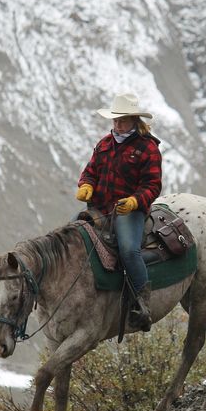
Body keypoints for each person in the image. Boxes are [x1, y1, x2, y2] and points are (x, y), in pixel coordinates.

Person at [75, 92, 162, 331]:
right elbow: (90, 171)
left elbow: (153, 185)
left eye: (122, 120)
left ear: (134, 120)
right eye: (115, 119)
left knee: (128, 250)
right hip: (100, 208)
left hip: (128, 212)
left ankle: (143, 303)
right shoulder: (104, 143)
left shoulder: (148, 148)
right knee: (70, 236)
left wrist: (134, 202)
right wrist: (86, 185)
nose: (117, 124)